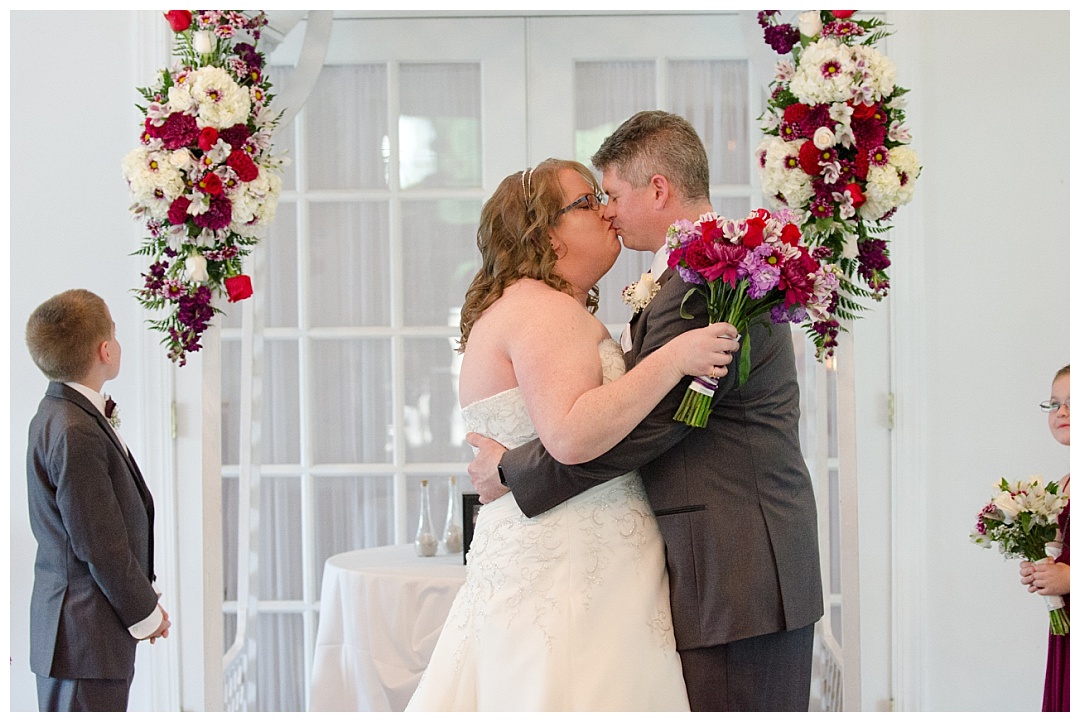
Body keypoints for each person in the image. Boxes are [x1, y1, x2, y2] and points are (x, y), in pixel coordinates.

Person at [468, 111, 824, 712]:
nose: (607, 210)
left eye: (612, 194)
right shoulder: (693, 275)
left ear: (658, 189)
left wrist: (514, 472)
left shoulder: (710, 282)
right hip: (717, 571)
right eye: (594, 200)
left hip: (735, 573)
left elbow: (660, 423)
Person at [405, 159, 741, 711]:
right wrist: (674, 359)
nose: (606, 212)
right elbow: (570, 435)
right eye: (588, 202)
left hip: (562, 563)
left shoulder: (522, 308)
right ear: (547, 235)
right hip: (573, 576)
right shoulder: (546, 313)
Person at [25, 289, 169, 712]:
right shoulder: (74, 429)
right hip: (83, 637)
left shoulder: (60, 412)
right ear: (105, 350)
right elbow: (99, 543)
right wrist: (147, 613)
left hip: (82, 636)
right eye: (116, 333)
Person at [1019, 364, 1069, 712]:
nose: (1061, 412)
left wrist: (1069, 577)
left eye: (1072, 402)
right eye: (1054, 404)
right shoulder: (1066, 483)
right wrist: (1040, 564)